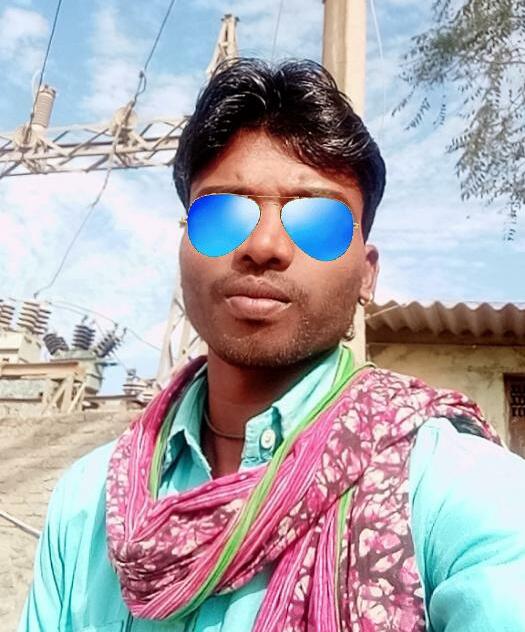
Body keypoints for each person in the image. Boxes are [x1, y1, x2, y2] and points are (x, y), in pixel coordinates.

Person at [19, 59, 525, 632]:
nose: (263, 244)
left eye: (317, 222)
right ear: (183, 247)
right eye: (222, 214)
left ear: (367, 274)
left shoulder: (452, 491)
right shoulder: (90, 504)